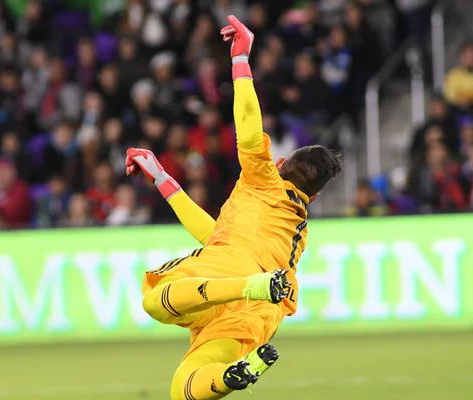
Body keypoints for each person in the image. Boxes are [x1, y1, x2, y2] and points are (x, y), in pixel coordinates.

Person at [126, 16, 342, 400]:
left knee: (154, 299)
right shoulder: (296, 230)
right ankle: (230, 377)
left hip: (243, 282)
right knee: (184, 387)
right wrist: (162, 178)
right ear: (315, 198)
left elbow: (247, 125)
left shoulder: (263, 179)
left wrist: (240, 58)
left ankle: (249, 291)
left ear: (279, 164)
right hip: (263, 310)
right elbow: (216, 236)